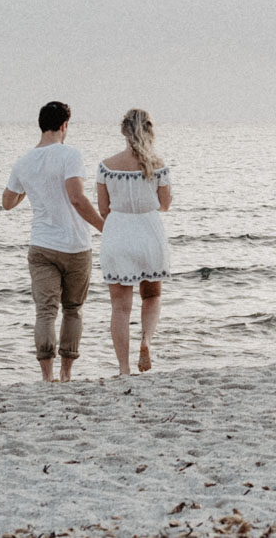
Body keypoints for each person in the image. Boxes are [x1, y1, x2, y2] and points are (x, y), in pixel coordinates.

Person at [1, 100, 104, 381]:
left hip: (42, 245)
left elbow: (7, 202)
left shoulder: (23, 161)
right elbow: (77, 198)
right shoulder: (70, 154)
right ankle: (66, 374)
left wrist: (28, 189)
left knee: (45, 312)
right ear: (64, 125)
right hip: (76, 245)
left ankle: (47, 377)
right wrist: (105, 227)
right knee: (73, 310)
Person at [97, 108, 174, 376]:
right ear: (150, 131)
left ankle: (124, 368)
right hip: (149, 231)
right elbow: (164, 205)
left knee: (120, 307)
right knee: (152, 295)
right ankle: (146, 341)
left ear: (123, 132)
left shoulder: (106, 166)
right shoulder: (158, 165)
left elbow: (103, 209)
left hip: (118, 232)